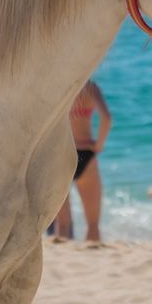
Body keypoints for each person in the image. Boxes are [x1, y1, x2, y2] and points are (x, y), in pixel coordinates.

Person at [52, 79, 111, 244]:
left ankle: (64, 265)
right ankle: (95, 264)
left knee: (62, 223)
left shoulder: (60, 86)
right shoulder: (91, 88)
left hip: (62, 154)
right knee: (93, 224)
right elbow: (106, 118)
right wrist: (98, 145)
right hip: (86, 153)